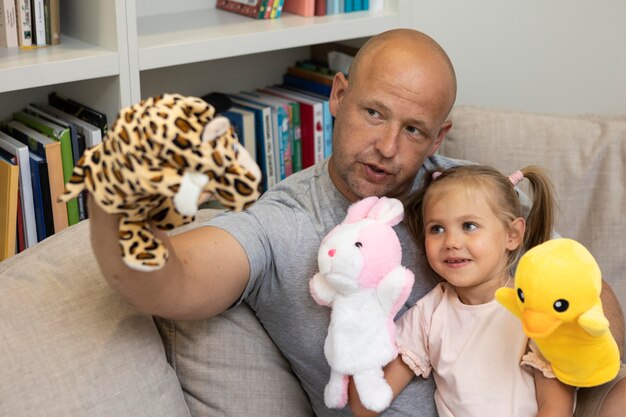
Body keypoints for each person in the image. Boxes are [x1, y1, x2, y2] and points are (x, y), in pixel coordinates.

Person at [88, 29, 625, 416]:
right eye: (373, 113)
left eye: (414, 130)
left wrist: (585, 357)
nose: (388, 148)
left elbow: (581, 288)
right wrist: (115, 204)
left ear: (439, 138)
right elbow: (171, 279)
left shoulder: (470, 197)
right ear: (339, 96)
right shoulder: (283, 223)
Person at [349, 164, 576, 417]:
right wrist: (357, 321)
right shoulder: (428, 315)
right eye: (437, 229)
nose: (451, 243)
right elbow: (366, 406)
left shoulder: (536, 310)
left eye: (469, 226)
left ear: (512, 234)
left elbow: (556, 409)